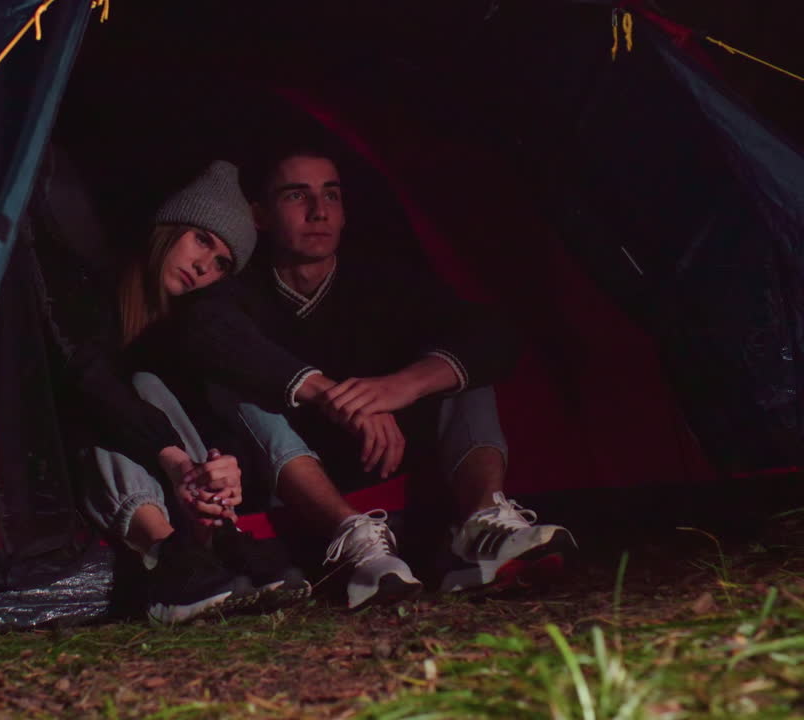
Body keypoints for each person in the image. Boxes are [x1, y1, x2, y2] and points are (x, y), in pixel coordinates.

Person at [171, 148, 577, 608]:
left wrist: (399, 387)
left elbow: (495, 335)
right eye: (296, 196)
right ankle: (353, 542)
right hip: (292, 475)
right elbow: (204, 333)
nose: (318, 211)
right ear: (261, 216)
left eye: (331, 195)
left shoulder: (382, 279)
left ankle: (483, 525)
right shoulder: (243, 289)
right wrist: (335, 397)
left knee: (459, 369)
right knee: (238, 386)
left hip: (385, 459)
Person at [63, 160, 310, 623]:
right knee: (127, 394)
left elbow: (206, 411)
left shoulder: (183, 331)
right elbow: (90, 386)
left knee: (152, 386)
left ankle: (221, 538)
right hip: (74, 460)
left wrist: (223, 468)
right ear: (170, 227)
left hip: (170, 483)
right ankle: (166, 557)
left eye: (221, 264)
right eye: (202, 240)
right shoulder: (88, 289)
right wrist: (172, 457)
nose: (203, 267)